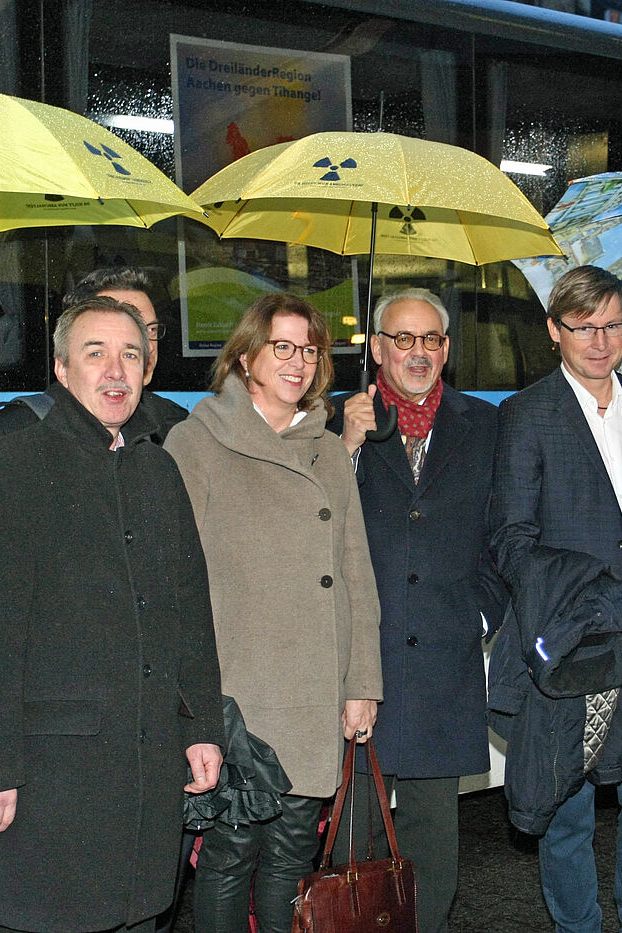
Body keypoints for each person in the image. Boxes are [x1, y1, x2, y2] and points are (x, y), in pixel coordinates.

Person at [0, 296, 225, 933]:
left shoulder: (159, 470)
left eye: (130, 354)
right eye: (96, 354)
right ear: (63, 371)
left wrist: (201, 724)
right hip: (46, 789)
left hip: (144, 783)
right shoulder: (9, 469)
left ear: (148, 371)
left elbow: (189, 613)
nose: (115, 370)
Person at [165, 293, 383, 933]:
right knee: (231, 857)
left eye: (310, 350)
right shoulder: (197, 442)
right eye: (282, 347)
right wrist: (192, 699)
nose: (299, 363)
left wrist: (362, 683)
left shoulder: (328, 451)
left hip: (314, 690)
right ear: (244, 357)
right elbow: (176, 582)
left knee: (294, 853)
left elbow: (354, 573)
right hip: (239, 696)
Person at [488, 264, 622, 933]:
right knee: (565, 805)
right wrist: (588, 593)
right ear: (554, 331)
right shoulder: (527, 414)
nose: (599, 341)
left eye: (612, 325)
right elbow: (510, 539)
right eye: (582, 327)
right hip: (578, 642)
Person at [328, 288, 509, 933]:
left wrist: (479, 612)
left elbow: (504, 535)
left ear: (447, 350)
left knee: (434, 845)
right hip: (357, 667)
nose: (418, 352)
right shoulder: (333, 423)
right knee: (357, 842)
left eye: (430, 340)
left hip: (444, 658)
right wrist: (346, 446)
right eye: (402, 339)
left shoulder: (485, 425)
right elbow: (314, 532)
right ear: (377, 348)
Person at [0, 267, 188, 438]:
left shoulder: (177, 427)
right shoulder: (10, 433)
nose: (146, 345)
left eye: (150, 330)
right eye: (98, 351)